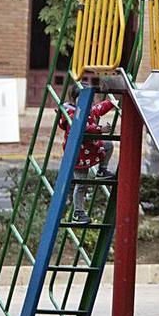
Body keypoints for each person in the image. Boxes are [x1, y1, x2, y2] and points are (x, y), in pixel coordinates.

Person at [58, 95, 116, 224]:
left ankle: (102, 170)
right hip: (77, 154)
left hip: (90, 149)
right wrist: (100, 129)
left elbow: (98, 109)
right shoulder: (72, 114)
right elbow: (82, 128)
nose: (91, 102)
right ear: (74, 99)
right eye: (86, 98)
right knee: (81, 183)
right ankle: (78, 213)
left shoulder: (87, 109)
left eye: (92, 98)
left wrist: (112, 102)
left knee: (108, 145)